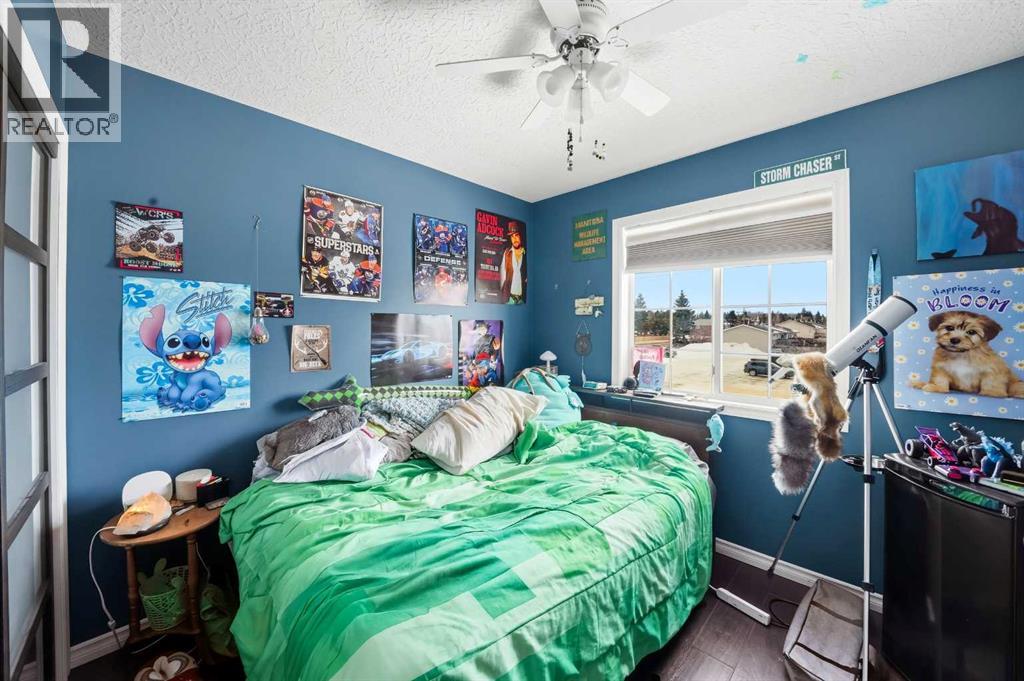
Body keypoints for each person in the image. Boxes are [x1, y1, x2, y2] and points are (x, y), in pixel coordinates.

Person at [500, 222, 526, 304]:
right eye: (512, 236)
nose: (514, 239)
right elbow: (502, 276)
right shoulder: (507, 253)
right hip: (509, 299)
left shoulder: (525, 254)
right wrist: (503, 297)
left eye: (516, 235)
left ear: (521, 236)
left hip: (522, 300)